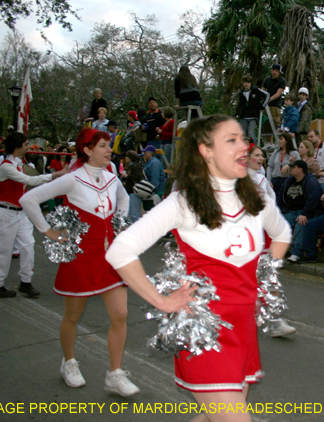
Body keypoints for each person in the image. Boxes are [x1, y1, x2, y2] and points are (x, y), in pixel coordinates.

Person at [105, 115, 291, 417]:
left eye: (243, 139)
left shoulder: (256, 200)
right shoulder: (183, 202)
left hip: (243, 330)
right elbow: (120, 250)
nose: (244, 146)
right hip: (206, 333)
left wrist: (264, 283)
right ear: (205, 150)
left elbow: (282, 234)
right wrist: (162, 301)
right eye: (231, 140)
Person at [20, 128, 139, 395]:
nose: (109, 150)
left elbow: (122, 199)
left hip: (110, 257)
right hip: (82, 257)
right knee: (73, 315)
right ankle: (69, 362)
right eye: (103, 146)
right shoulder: (72, 179)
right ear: (86, 150)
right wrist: (49, 231)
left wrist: (118, 224)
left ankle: (115, 373)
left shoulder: (112, 178)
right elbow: (29, 198)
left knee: (120, 314)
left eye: (109, 145)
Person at [0, 132, 68, 298]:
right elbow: (29, 180)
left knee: (28, 245)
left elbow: (29, 180)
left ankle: (26, 282)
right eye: (25, 144)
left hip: (20, 212)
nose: (27, 147)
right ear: (17, 146)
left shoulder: (17, 162)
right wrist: (55, 175)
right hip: (6, 212)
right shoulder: (6, 166)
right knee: (4, 250)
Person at [246, 144, 297, 338]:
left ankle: (275, 321)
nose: (261, 159)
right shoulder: (234, 180)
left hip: (261, 235)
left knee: (266, 276)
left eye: (262, 156)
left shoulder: (260, 179)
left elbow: (271, 203)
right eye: (257, 155)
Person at [277, 160, 323, 263]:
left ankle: (296, 253)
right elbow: (280, 196)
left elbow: (313, 200)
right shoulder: (289, 180)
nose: (291, 169)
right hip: (290, 210)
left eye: (293, 167)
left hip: (306, 212)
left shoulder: (311, 181)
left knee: (301, 224)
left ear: (300, 169)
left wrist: (305, 214)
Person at [236, 75, 269, 143]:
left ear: (250, 83)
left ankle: (254, 148)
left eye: (248, 82)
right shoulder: (241, 93)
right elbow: (240, 104)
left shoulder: (256, 90)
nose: (246, 84)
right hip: (243, 116)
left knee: (251, 133)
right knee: (243, 134)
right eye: (245, 82)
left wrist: (262, 106)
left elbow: (267, 95)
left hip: (253, 116)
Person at [120, 150, 145, 223]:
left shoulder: (136, 166)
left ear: (130, 158)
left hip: (134, 192)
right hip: (129, 191)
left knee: (135, 213)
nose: (126, 158)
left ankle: (139, 229)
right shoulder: (129, 167)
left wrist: (127, 176)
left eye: (127, 156)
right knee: (131, 213)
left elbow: (138, 177)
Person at [261, 64, 287, 130]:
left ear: (279, 72)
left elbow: (278, 93)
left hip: (275, 105)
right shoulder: (267, 80)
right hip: (266, 106)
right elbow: (262, 90)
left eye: (276, 70)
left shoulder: (282, 81)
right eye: (273, 70)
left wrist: (268, 99)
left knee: (275, 124)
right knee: (266, 125)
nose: (274, 72)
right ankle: (270, 140)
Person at [142, 145, 166, 211]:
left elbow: (155, 179)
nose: (144, 154)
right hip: (154, 190)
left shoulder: (154, 163)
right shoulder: (149, 162)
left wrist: (150, 190)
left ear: (150, 153)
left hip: (157, 191)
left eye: (145, 152)